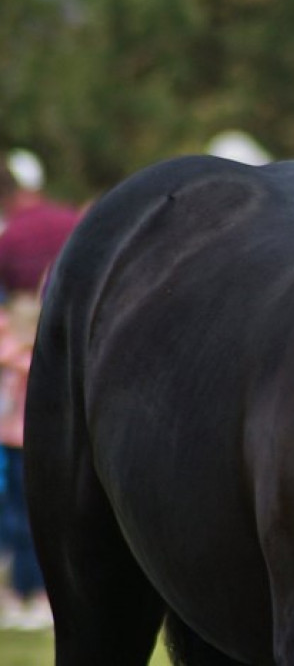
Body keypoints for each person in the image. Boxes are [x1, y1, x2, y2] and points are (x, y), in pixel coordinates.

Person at [0, 152, 79, 629]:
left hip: (22, 378)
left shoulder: (10, 235)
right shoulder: (71, 223)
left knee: (21, 501)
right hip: (61, 372)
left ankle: (28, 589)